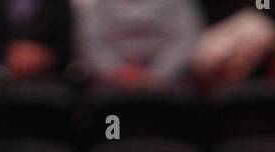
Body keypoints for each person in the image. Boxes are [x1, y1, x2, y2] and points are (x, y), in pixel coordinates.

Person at [75, 0, 204, 87]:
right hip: (111, 77)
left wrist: (158, 73)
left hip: (168, 76)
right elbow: (91, 41)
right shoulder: (101, 4)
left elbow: (186, 39)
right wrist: (116, 70)